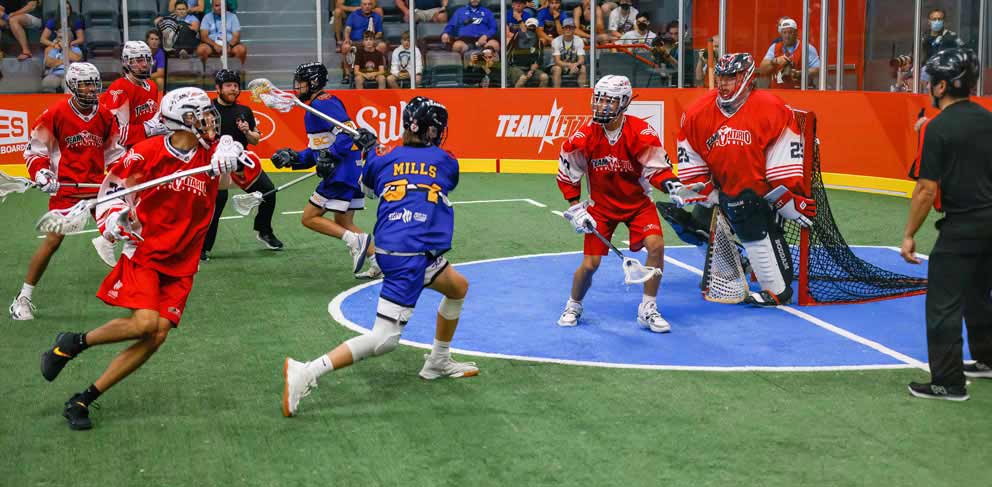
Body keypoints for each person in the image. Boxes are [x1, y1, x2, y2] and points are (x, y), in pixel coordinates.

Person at [38, 87, 244, 430]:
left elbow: (248, 173)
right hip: (146, 251)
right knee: (146, 323)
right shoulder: (146, 154)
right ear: (183, 120)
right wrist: (115, 220)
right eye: (202, 114)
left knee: (157, 336)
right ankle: (74, 342)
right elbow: (112, 192)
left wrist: (232, 147)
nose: (211, 120)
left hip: (183, 262)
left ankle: (83, 398)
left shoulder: (212, 155)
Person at [282, 96, 478, 417]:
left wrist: (370, 148)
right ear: (429, 130)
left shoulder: (381, 159)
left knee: (457, 287)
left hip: (397, 246)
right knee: (383, 339)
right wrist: (375, 149)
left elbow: (372, 182)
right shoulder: (445, 160)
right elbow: (445, 175)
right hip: (410, 251)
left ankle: (439, 360)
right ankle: (306, 371)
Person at [675, 53, 815, 306]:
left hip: (760, 195)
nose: (724, 83)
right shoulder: (697, 112)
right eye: (721, 77)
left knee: (745, 206)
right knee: (689, 224)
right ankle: (737, 262)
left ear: (748, 78)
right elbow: (692, 156)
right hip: (723, 190)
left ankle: (776, 290)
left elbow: (784, 157)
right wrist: (703, 190)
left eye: (731, 77)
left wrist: (786, 196)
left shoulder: (772, 108)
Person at [901, 48, 992, 401]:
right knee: (978, 295)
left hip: (963, 226)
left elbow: (926, 190)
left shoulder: (937, 128)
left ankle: (948, 382)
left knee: (943, 302)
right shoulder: (988, 120)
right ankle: (987, 358)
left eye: (930, 83)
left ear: (941, 87)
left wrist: (909, 234)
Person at [556, 75, 680, 333]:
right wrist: (576, 208)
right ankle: (573, 304)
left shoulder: (639, 131)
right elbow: (568, 172)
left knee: (656, 246)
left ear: (623, 103)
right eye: (598, 99)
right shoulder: (585, 135)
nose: (601, 106)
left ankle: (648, 308)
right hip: (601, 207)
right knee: (590, 265)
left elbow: (656, 170)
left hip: (638, 204)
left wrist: (673, 186)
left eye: (609, 101)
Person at [9, 63, 125, 321]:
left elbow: (115, 153)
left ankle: (143, 289)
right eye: (84, 83)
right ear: (72, 85)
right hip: (67, 190)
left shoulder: (105, 115)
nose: (90, 88)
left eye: (94, 83)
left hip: (98, 189)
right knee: (52, 242)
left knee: (130, 228)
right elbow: (35, 151)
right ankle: (23, 298)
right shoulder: (56, 113)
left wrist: (123, 176)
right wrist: (42, 173)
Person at [270, 63, 381, 278]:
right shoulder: (312, 109)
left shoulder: (324, 102)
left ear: (313, 83)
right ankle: (379, 261)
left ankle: (355, 241)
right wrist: (292, 158)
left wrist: (331, 155)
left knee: (309, 217)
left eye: (301, 83)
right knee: (344, 222)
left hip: (342, 171)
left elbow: (348, 132)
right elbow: (315, 153)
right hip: (349, 170)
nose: (298, 87)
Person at [97, 41, 169, 268]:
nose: (142, 64)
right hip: (124, 156)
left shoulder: (151, 87)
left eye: (146, 59)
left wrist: (162, 125)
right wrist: (149, 129)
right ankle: (107, 239)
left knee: (146, 207)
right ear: (126, 62)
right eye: (137, 59)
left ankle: (129, 250)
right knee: (135, 208)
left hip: (145, 153)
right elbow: (113, 133)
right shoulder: (119, 89)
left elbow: (152, 121)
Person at [202, 69, 284, 260]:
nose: (233, 89)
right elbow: (202, 138)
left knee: (268, 192)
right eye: (228, 85)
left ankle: (264, 231)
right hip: (216, 162)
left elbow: (255, 139)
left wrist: (247, 131)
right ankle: (203, 247)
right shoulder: (207, 110)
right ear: (218, 88)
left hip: (240, 160)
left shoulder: (244, 111)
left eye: (235, 85)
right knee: (217, 202)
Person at [757, 17, 820, 89]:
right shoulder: (774, 47)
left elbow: (818, 69)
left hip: (800, 93)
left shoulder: (807, 48)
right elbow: (762, 70)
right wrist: (775, 61)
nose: (787, 36)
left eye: (790, 32)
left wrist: (799, 74)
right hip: (777, 93)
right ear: (781, 33)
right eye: (784, 32)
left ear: (796, 33)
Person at [340, 0, 384, 85]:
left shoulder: (376, 16)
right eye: (365, 4)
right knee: (345, 47)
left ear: (372, 6)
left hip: (370, 40)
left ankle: (379, 71)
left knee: (382, 45)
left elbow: (380, 32)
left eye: (369, 4)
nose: (367, 6)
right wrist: (346, 38)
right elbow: (348, 28)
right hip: (356, 41)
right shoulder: (354, 15)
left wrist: (372, 38)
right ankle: (347, 74)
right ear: (361, 5)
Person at [196, 0, 247, 65]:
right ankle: (205, 72)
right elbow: (204, 36)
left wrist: (229, 46)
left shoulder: (233, 16)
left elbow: (236, 37)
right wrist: (215, 45)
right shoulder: (207, 17)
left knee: (241, 50)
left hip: (229, 44)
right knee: (201, 49)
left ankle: (239, 71)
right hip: (212, 45)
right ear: (212, 7)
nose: (220, 7)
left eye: (222, 5)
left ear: (225, 6)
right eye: (217, 5)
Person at [508, 18, 548, 87]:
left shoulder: (538, 42)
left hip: (530, 69)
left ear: (536, 29)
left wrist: (531, 71)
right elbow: (508, 51)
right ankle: (514, 97)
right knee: (523, 78)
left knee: (544, 77)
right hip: (515, 67)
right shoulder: (517, 36)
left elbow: (538, 60)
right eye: (529, 27)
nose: (531, 29)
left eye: (533, 27)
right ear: (525, 27)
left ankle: (540, 97)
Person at [550, 17, 586, 88]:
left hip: (573, 65)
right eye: (566, 27)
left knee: (583, 68)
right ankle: (556, 94)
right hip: (558, 65)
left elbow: (581, 59)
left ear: (574, 29)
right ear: (562, 29)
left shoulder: (579, 40)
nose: (568, 30)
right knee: (557, 69)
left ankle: (583, 93)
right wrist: (569, 65)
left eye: (570, 28)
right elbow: (557, 61)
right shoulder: (556, 41)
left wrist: (576, 65)